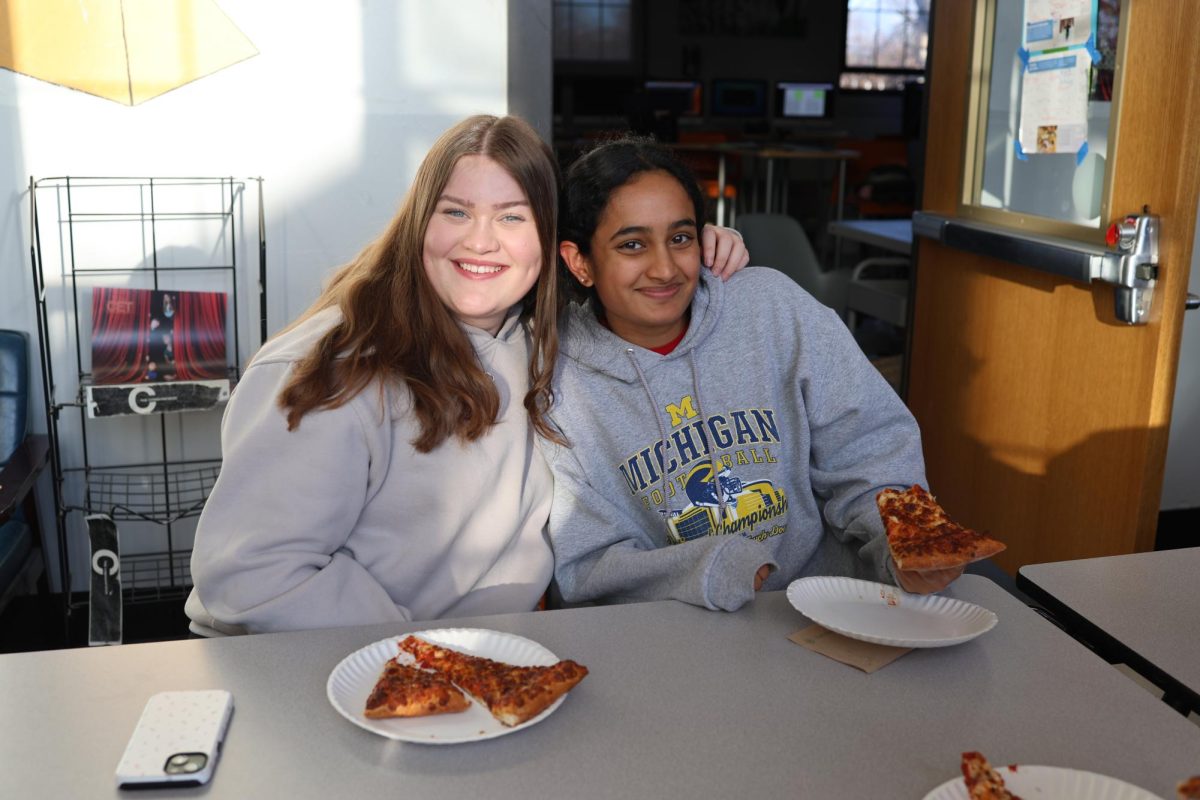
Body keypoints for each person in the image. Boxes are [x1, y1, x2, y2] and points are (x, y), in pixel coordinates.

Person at [185, 115, 748, 636]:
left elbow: (636, 280)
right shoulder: (331, 368)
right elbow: (257, 572)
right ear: (417, 223)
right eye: (455, 212)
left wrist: (702, 246)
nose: (481, 241)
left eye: (512, 216)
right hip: (330, 669)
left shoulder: (546, 338)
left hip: (498, 658)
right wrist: (428, 661)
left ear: (551, 241)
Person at [544, 134, 961, 613]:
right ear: (581, 262)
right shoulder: (557, 380)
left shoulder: (771, 308)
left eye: (680, 238)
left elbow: (870, 453)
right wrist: (716, 566)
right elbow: (588, 563)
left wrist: (906, 543)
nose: (664, 269)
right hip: (670, 636)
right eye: (632, 244)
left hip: (832, 613)